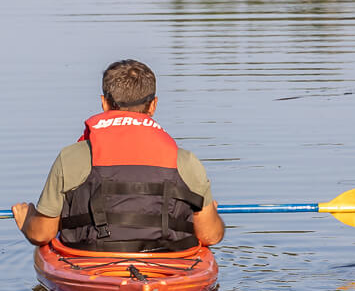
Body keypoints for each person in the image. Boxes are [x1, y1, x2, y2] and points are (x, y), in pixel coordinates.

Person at [12, 58, 226, 253]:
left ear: (104, 103)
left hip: (92, 261)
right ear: (153, 105)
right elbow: (210, 235)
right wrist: (212, 216)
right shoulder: (186, 161)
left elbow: (42, 234)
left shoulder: (71, 157)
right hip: (168, 263)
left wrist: (27, 220)